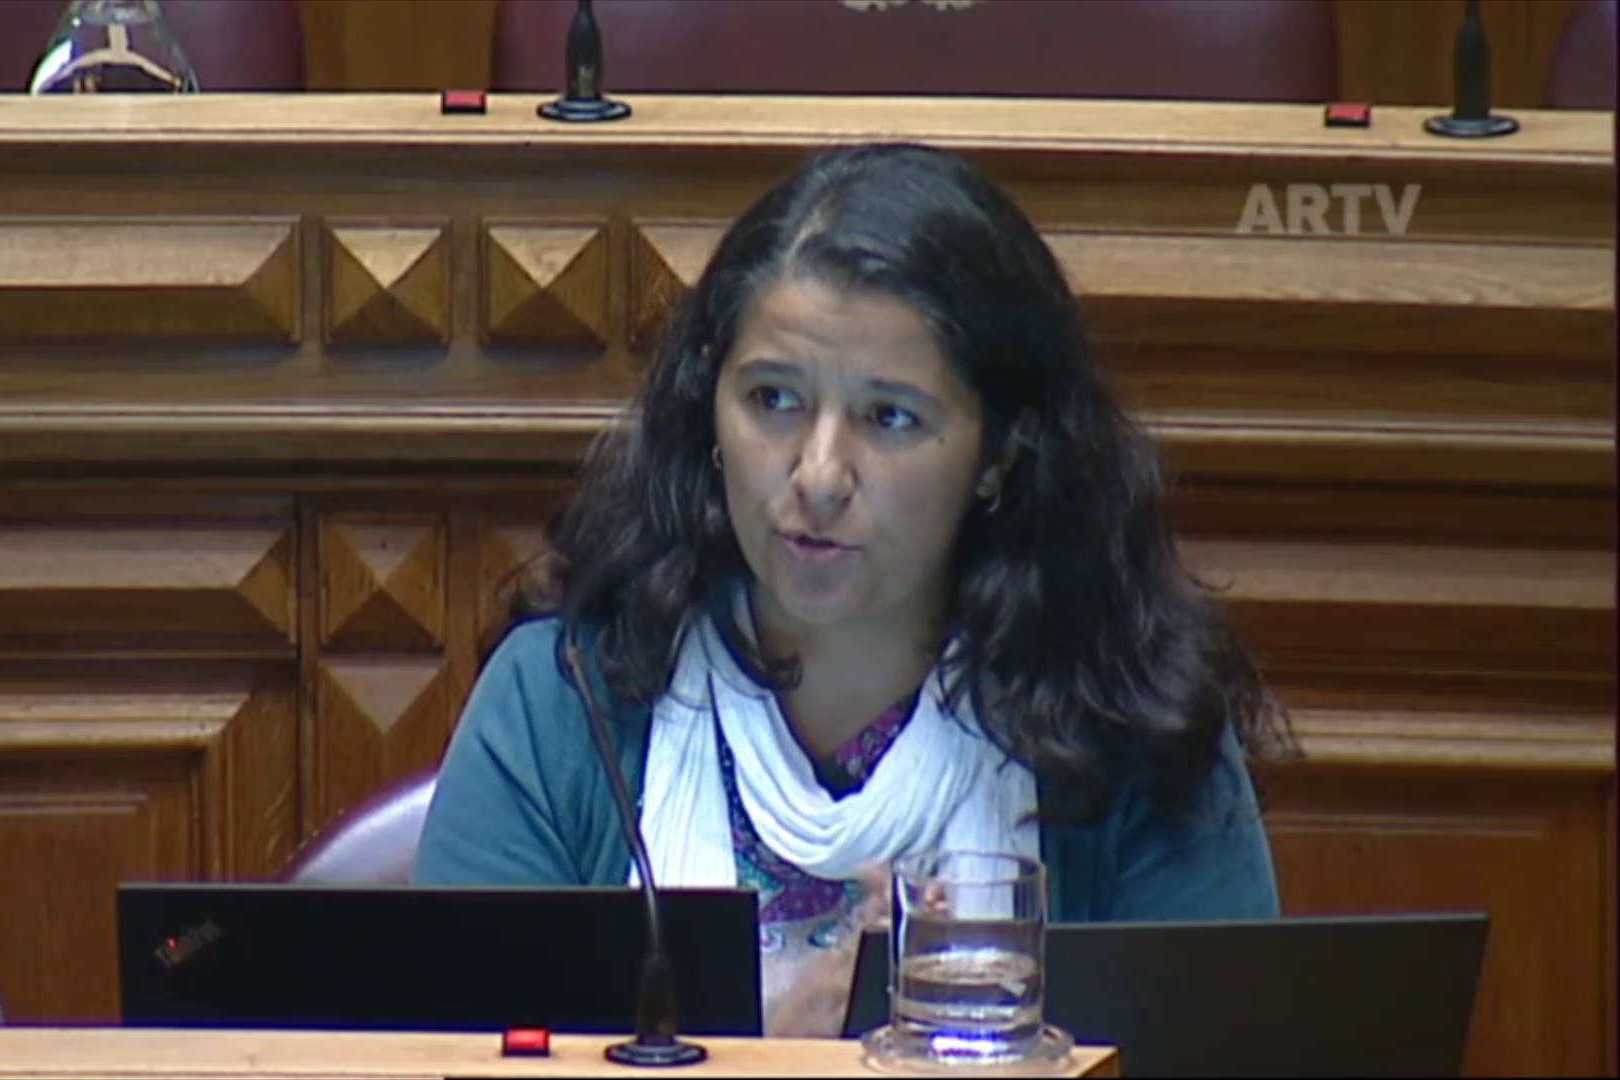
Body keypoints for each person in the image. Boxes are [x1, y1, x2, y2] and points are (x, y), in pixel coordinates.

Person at [411, 142, 1295, 1037]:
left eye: (890, 417)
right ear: (708, 403)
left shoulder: (1132, 725)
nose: (820, 475)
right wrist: (783, 1047)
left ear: (1000, 455)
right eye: (773, 399)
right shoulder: (565, 702)